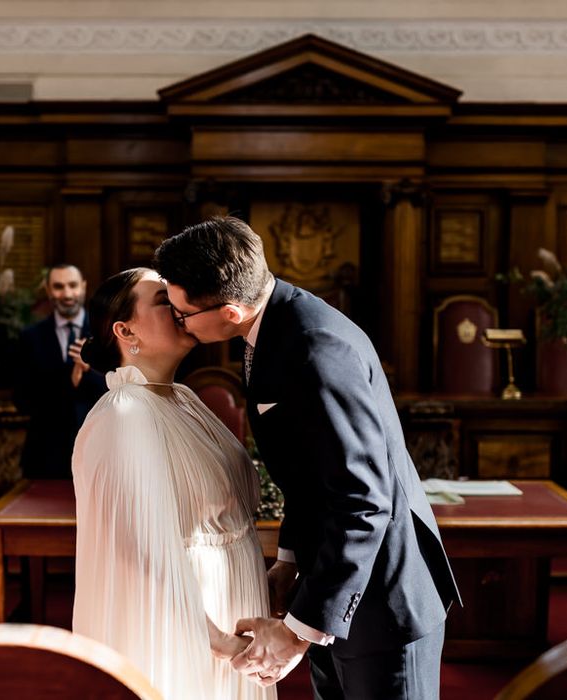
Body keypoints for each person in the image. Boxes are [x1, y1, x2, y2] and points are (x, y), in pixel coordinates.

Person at [154, 217, 461, 699]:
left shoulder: (315, 347)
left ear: (230, 311)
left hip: (380, 600)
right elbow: (309, 475)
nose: (178, 322)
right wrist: (290, 562)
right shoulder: (272, 322)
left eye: (181, 314)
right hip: (330, 587)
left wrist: (298, 630)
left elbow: (363, 502)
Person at [72, 267, 276, 700]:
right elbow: (140, 548)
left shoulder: (183, 398)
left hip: (231, 605)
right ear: (126, 330)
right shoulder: (124, 412)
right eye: (165, 301)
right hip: (186, 624)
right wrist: (214, 637)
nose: (183, 305)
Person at [14, 263, 106, 479]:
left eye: (72, 286)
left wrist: (89, 373)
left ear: (83, 287)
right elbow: (21, 400)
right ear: (48, 291)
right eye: (58, 287)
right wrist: (69, 381)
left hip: (100, 454)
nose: (67, 294)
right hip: (44, 457)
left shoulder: (107, 333)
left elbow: (125, 390)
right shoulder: (30, 337)